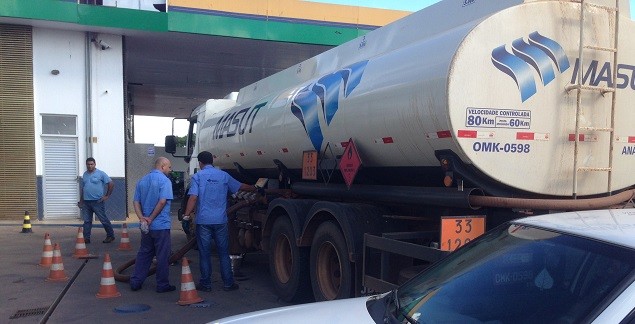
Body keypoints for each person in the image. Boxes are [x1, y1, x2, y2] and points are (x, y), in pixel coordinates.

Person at [182, 151, 256, 292]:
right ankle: (228, 283)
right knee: (223, 253)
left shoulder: (197, 177)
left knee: (204, 253)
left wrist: (186, 215)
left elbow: (193, 198)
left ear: (200, 163)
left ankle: (206, 284)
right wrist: (256, 188)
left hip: (203, 221)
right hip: (221, 221)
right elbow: (241, 187)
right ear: (212, 161)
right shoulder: (223, 176)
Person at [129, 157, 176, 293]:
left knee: (144, 253)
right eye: (169, 167)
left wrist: (142, 218)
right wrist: (151, 218)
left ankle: (136, 281)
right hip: (160, 226)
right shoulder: (165, 181)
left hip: (146, 227)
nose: (170, 170)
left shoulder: (142, 180)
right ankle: (162, 285)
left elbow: (136, 202)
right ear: (162, 166)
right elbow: (162, 202)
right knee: (162, 256)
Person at [78, 157, 115, 243]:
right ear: (86, 165)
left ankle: (110, 236)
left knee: (103, 219)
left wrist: (107, 196)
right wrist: (81, 201)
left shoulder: (101, 174)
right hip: (87, 202)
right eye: (88, 164)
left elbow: (111, 183)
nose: (90, 166)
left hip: (97, 202)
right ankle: (86, 238)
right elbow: (84, 188)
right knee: (87, 221)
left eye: (92, 164)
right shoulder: (85, 174)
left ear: (95, 164)